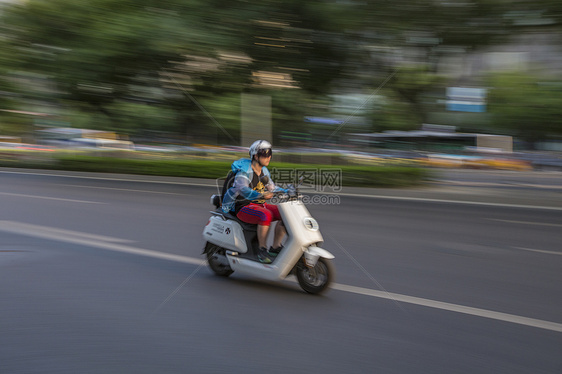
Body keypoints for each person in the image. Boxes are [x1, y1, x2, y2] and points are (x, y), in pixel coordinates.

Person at [221, 140, 287, 263]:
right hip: (243, 206)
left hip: (258, 204)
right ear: (255, 156)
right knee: (265, 215)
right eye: (265, 153)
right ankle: (261, 250)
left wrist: (287, 191)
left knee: (285, 213)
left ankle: (276, 247)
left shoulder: (264, 171)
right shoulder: (244, 171)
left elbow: (272, 187)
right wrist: (261, 194)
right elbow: (243, 189)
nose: (269, 157)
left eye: (270, 153)